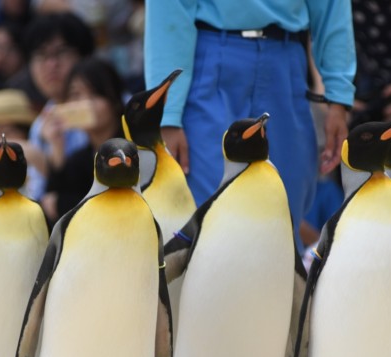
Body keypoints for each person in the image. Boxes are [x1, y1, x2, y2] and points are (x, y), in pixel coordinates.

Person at [144, 1, 355, 250]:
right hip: (208, 56)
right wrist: (166, 113)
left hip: (286, 59)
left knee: (286, 218)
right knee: (208, 221)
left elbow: (331, 7)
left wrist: (339, 98)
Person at [6, 11, 96, 200]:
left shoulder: (106, 106)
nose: (51, 64)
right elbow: (39, 195)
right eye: (40, 55)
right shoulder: (42, 122)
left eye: (61, 52)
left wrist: (38, 159)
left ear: (84, 55)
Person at [40, 57, 126, 224]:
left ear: (114, 100)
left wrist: (63, 204)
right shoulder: (80, 158)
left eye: (94, 94)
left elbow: (118, 206)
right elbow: (49, 202)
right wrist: (57, 146)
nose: (85, 103)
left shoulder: (131, 149)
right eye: (76, 95)